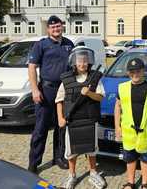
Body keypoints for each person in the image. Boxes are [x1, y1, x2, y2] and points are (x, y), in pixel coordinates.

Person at [28, 15, 74, 173]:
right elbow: (32, 67)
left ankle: (59, 157)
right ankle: (34, 162)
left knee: (61, 126)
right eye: (53, 27)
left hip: (64, 91)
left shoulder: (69, 44)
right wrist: (35, 89)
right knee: (40, 128)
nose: (56, 29)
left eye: (58, 26)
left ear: (62, 27)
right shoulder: (41, 45)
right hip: (46, 91)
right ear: (48, 29)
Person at [56, 46, 106, 189]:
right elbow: (58, 100)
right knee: (72, 151)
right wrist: (60, 117)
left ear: (89, 62)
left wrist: (89, 93)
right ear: (74, 62)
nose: (82, 64)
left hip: (90, 120)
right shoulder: (66, 79)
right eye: (79, 61)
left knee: (91, 149)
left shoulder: (95, 78)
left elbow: (100, 97)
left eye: (85, 61)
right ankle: (72, 175)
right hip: (72, 121)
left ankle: (93, 172)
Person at [114, 58, 147, 189]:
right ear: (128, 72)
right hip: (129, 133)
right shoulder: (122, 87)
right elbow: (117, 107)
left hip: (145, 131)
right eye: (132, 71)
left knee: (146, 158)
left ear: (143, 71)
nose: (135, 74)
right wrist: (117, 126)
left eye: (138, 71)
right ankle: (131, 182)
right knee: (130, 159)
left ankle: (145, 183)